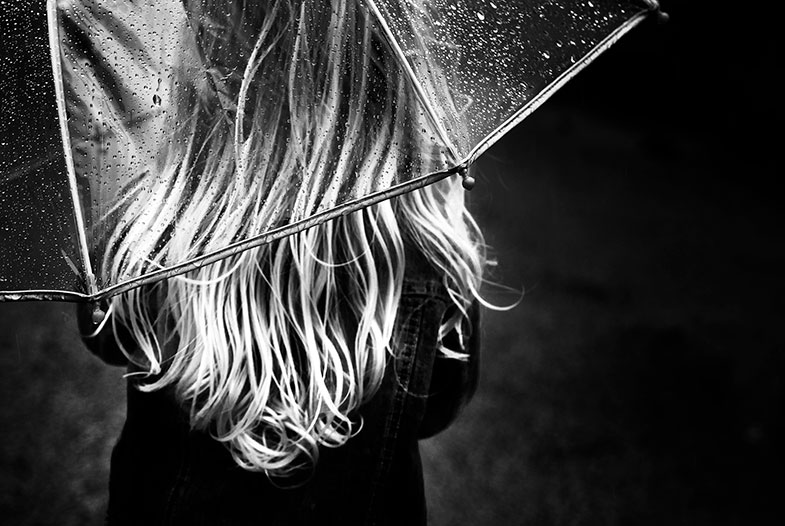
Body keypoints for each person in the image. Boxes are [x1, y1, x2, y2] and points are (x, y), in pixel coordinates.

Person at [75, 1, 490, 524]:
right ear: (396, 63)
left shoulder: (163, 224)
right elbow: (435, 407)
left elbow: (107, 336)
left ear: (217, 50)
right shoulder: (428, 239)